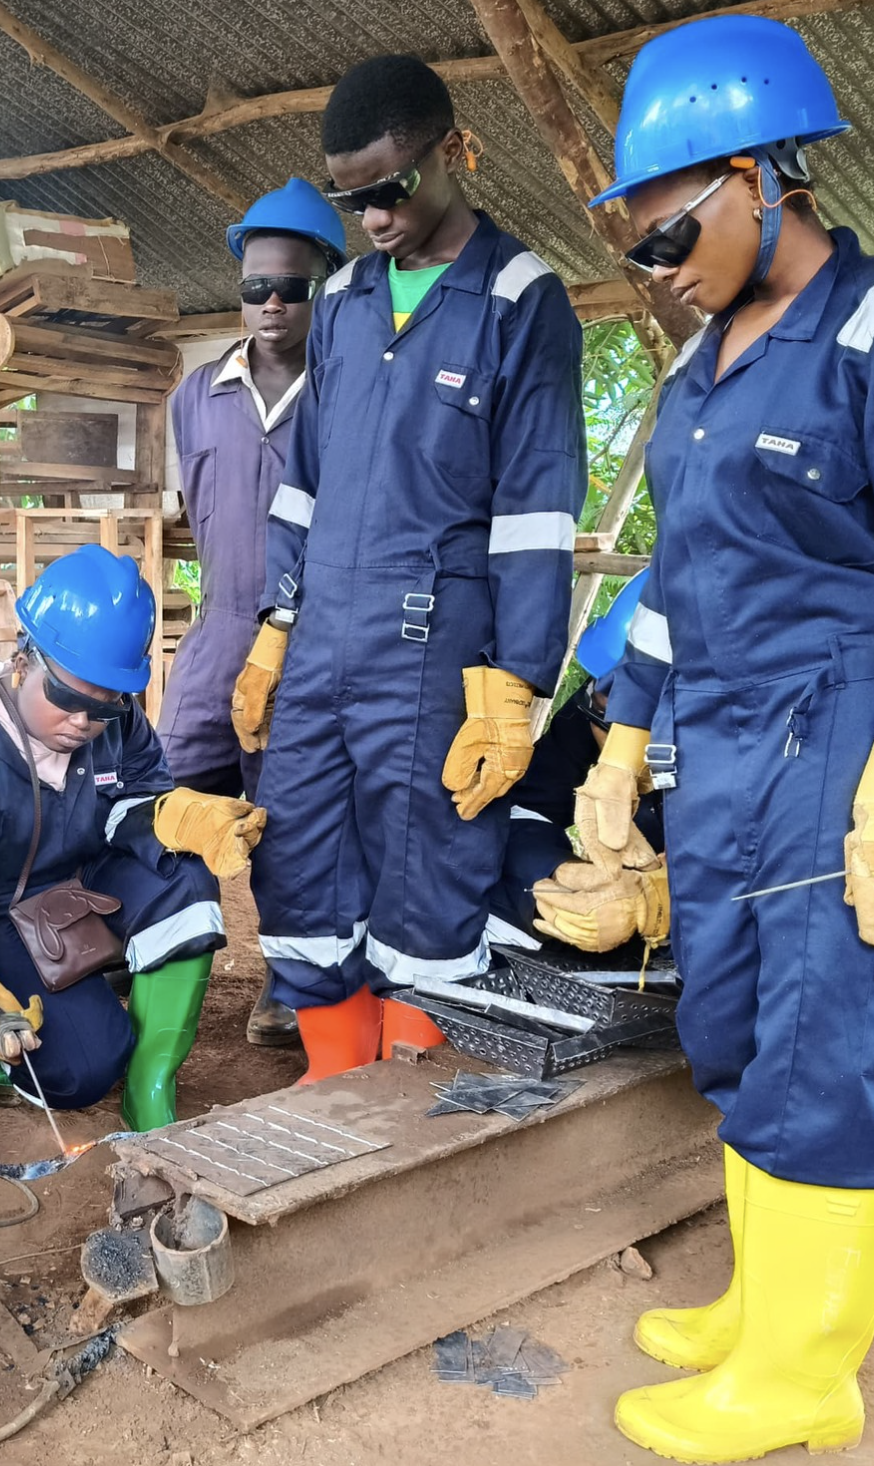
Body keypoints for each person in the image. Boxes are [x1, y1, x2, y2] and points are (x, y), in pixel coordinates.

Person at [576, 18, 874, 1460]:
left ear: (759, 176)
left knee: (831, 1042)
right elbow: (676, 592)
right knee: (739, 1028)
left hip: (845, 760)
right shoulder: (696, 382)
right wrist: (621, 749)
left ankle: (805, 1374)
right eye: (634, 245)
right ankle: (762, 1307)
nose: (657, 266)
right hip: (729, 762)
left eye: (670, 228)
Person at [235, 55, 585, 1080]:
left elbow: (535, 509)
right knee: (295, 855)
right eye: (355, 201)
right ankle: (330, 1081)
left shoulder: (521, 300)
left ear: (450, 151)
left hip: (439, 653)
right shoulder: (339, 300)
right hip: (321, 645)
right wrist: (272, 626)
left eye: (391, 188)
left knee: (424, 870)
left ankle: (398, 1105)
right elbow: (300, 482)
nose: (375, 218)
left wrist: (516, 683)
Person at [0, 545, 263, 1125]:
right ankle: (9, 1050)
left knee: (186, 878)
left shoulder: (121, 724)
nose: (83, 722)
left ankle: (151, 1085)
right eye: (68, 698)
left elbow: (135, 801)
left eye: (107, 708)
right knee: (85, 1068)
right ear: (24, 660)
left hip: (82, 887)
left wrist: (175, 815)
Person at [159, 178, 347, 1049]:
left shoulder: (347, 394)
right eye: (254, 286)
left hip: (306, 643)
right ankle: (160, 969)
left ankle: (286, 979)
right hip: (217, 628)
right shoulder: (195, 396)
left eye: (291, 287)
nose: (270, 303)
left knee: (290, 818)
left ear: (326, 283)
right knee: (171, 804)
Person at [492, 571, 670, 955]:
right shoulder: (595, 704)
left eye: (641, 719)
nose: (620, 734)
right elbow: (526, 807)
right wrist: (556, 875)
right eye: (608, 711)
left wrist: (668, 896)